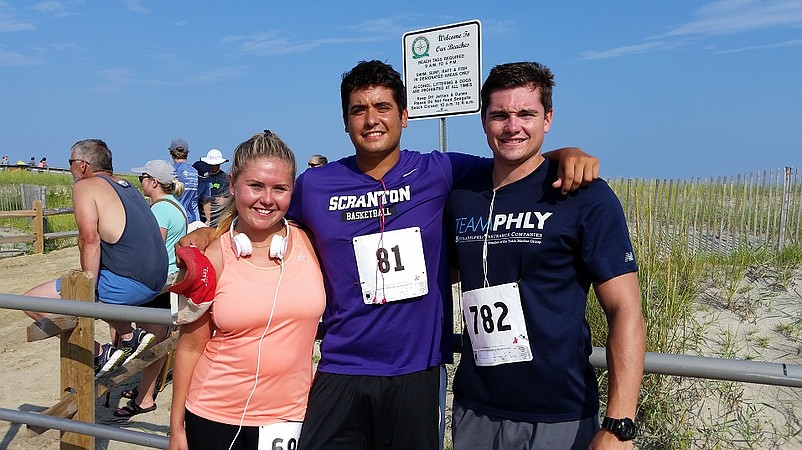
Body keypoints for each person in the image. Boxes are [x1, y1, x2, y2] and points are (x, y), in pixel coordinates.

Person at [180, 60, 598, 450]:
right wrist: (205, 232)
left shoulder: (441, 170)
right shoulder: (316, 185)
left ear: (405, 115)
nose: (371, 118)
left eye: (383, 106)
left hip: (416, 371)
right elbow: (263, 214)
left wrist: (566, 154)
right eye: (358, 109)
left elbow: (515, 161)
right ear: (345, 122)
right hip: (341, 366)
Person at [446, 62, 646, 450]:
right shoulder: (462, 196)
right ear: (484, 121)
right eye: (500, 114)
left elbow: (626, 311)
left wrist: (620, 424)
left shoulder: (583, 195)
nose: (512, 125)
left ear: (548, 119)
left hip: (559, 415)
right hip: (475, 409)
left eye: (526, 114)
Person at [169, 131, 326, 450]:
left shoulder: (312, 244)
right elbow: (190, 347)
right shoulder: (213, 256)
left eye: (279, 188)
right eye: (255, 185)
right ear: (232, 184)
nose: (267, 199)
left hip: (291, 419)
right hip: (215, 416)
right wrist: (177, 430)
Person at [23, 139, 168, 377]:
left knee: (33, 301)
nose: (69, 167)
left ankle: (99, 352)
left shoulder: (86, 186)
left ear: (82, 165)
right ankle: (130, 335)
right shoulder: (127, 186)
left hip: (131, 284)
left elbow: (89, 239)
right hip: (156, 280)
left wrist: (86, 287)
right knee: (85, 292)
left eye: (70, 162)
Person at [114, 159, 188, 418]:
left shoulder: (159, 211)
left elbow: (152, 247)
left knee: (149, 342)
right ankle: (145, 390)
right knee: (157, 340)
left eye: (142, 178)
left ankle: (144, 398)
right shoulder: (176, 206)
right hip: (170, 282)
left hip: (156, 283)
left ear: (153, 182)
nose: (140, 183)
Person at [170, 138, 211, 225]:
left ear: (170, 152)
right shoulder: (198, 172)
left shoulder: (168, 172)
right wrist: (208, 220)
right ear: (187, 153)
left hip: (174, 220)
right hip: (194, 220)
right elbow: (206, 199)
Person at [197, 148, 230, 227]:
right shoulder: (201, 177)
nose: (213, 167)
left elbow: (229, 198)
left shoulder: (225, 179)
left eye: (215, 164)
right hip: (201, 218)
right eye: (211, 164)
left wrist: (226, 200)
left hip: (217, 218)